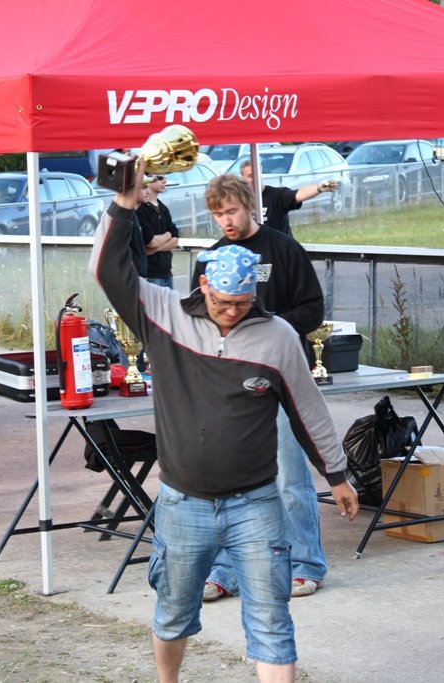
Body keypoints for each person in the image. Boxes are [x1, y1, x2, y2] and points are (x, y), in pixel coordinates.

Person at [88, 159, 359, 683]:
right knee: (173, 614)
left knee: (271, 619)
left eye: (241, 303)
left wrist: (337, 474)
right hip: (182, 502)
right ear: (202, 286)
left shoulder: (277, 336)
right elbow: (108, 271)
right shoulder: (163, 315)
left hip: (255, 502)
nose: (231, 311)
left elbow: (309, 409)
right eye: (221, 302)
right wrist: (124, 204)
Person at [192, 174, 328, 601]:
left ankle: (305, 564)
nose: (226, 221)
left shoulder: (284, 248)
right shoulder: (211, 258)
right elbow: (195, 319)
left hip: (283, 377)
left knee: (289, 476)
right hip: (231, 386)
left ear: (250, 206)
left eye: (232, 211)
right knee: (228, 480)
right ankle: (226, 570)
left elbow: (313, 309)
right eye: (218, 214)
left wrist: (270, 328)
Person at [239, 159, 339, 237]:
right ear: (242, 178)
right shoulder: (240, 201)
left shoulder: (277, 195)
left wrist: (319, 188)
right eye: (250, 176)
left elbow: (299, 194)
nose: (255, 178)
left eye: (257, 174)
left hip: (280, 251)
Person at [137, 173, 179, 288]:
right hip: (150, 274)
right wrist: (168, 236)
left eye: (165, 177)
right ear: (149, 180)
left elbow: (175, 238)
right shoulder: (141, 209)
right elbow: (150, 242)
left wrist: (155, 249)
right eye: (159, 177)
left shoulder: (163, 208)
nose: (164, 181)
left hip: (167, 272)